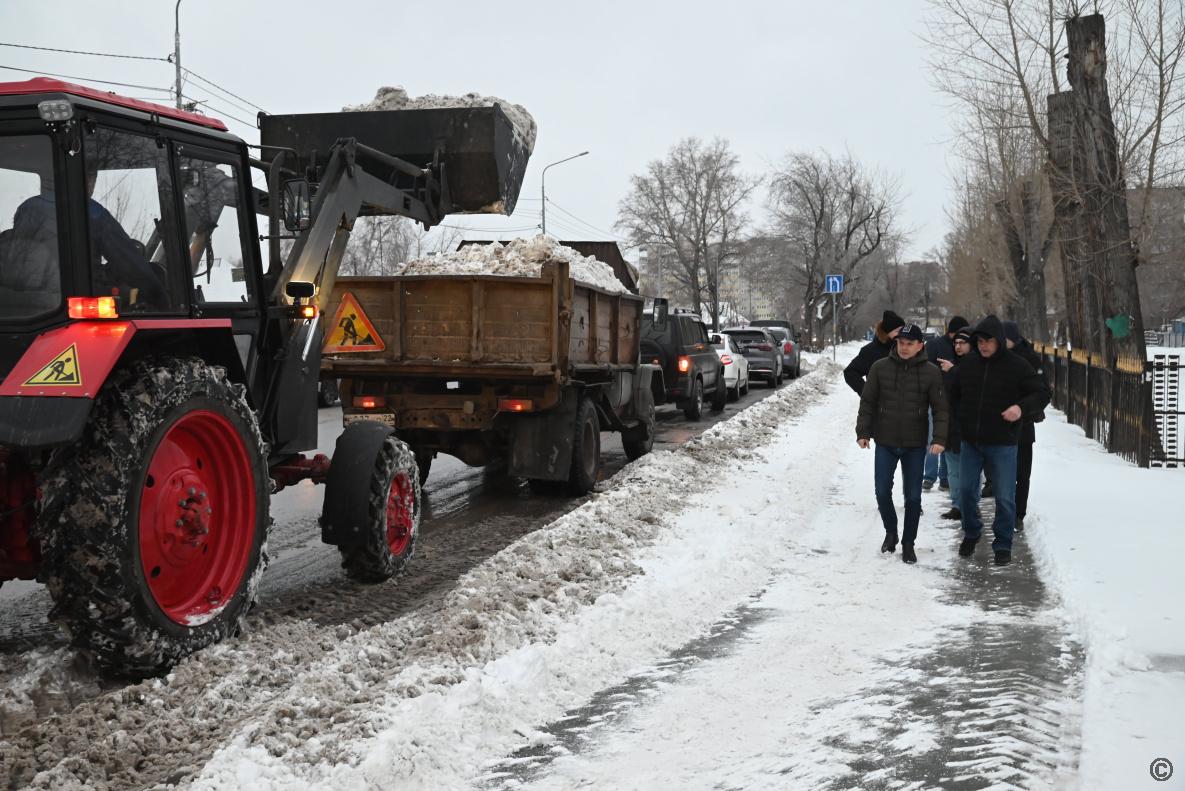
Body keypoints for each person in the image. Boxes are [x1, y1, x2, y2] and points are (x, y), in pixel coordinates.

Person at [948, 315, 1050, 566]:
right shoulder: (968, 365)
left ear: (999, 342)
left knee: (1005, 496)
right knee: (966, 491)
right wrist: (959, 424)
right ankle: (971, 532)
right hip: (971, 441)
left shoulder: (1017, 366)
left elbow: (1042, 392)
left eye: (989, 341)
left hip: (1003, 442)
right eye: (979, 341)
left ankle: (1003, 544)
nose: (983, 345)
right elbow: (953, 397)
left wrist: (1020, 408)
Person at [855, 323, 948, 565]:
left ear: (920, 346)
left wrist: (939, 439)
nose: (904, 348)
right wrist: (863, 432)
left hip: (915, 443)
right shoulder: (879, 368)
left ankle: (908, 543)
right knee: (882, 491)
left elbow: (940, 409)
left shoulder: (930, 372)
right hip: (885, 440)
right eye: (901, 343)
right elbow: (868, 402)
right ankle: (891, 532)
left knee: (913, 498)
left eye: (909, 344)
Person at [11, 170, 168, 308]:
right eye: (92, 179)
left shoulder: (28, 207)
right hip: (69, 298)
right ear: (88, 179)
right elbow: (129, 263)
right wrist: (161, 298)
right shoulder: (92, 213)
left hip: (23, 300)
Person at [1002, 320, 1044, 532]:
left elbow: (1041, 390)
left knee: (1021, 473)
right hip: (1001, 425)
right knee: (1004, 473)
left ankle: (1018, 514)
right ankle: (1006, 511)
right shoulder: (996, 358)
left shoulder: (1029, 359)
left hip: (1023, 425)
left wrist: (1028, 408)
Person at [922, 316, 969, 491]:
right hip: (937, 398)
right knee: (935, 437)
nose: (959, 344)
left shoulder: (965, 349)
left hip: (955, 400)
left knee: (948, 440)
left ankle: (944, 478)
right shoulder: (935, 345)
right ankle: (930, 476)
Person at [938, 327, 973, 520]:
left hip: (968, 427)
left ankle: (967, 505)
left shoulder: (975, 365)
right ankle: (957, 505)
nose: (958, 346)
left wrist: (954, 371)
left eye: (962, 343)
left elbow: (970, 388)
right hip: (950, 425)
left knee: (968, 471)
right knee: (953, 470)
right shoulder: (951, 365)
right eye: (956, 343)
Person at [844, 310, 906, 395]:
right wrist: (867, 393)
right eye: (897, 331)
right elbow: (850, 372)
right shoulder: (870, 351)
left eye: (903, 330)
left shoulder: (907, 349)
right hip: (879, 406)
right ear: (887, 332)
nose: (901, 334)